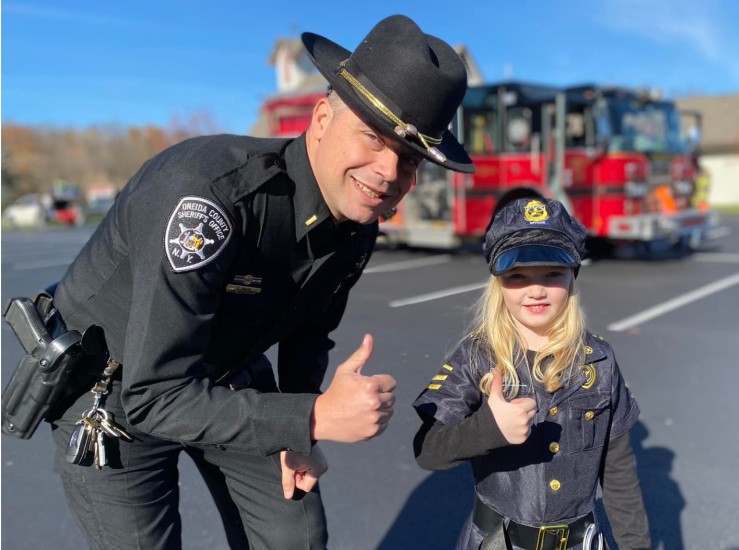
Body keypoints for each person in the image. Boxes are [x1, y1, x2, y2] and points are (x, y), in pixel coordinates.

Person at [44, 14, 473, 550]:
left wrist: (298, 433)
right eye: (372, 136)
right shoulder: (207, 199)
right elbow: (157, 395)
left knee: (296, 536)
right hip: (118, 394)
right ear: (321, 118)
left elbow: (307, 334)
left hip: (225, 377)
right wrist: (314, 415)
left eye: (410, 160)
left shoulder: (357, 221)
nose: (388, 171)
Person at [413, 197, 650, 549]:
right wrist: (489, 428)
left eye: (552, 274)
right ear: (498, 284)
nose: (536, 290)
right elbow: (428, 450)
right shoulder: (478, 356)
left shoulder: (599, 359)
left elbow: (619, 474)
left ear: (572, 276)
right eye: (518, 276)